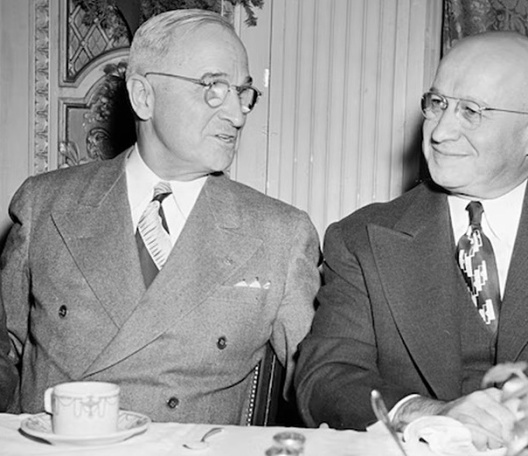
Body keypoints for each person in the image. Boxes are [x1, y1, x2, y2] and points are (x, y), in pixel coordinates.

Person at [294, 30, 528, 448]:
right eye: (437, 104)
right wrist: (427, 414)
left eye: (471, 111)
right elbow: (324, 379)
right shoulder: (361, 239)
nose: (439, 132)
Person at [1, 8, 320, 425]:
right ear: (143, 96)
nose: (238, 115)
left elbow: (317, 383)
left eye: (243, 93)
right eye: (213, 87)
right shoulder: (45, 206)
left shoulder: (281, 234)